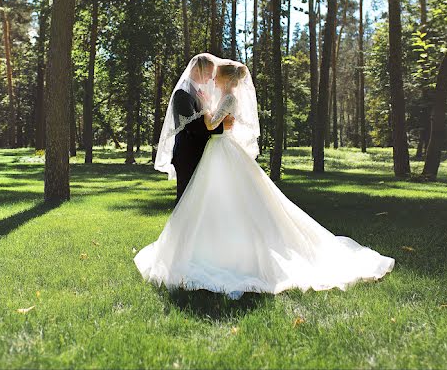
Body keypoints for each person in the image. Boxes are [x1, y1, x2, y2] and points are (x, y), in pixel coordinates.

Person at [138, 56, 394, 298]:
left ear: (225, 79)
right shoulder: (191, 95)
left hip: (218, 151)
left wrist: (211, 118)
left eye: (216, 76)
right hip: (207, 151)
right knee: (206, 199)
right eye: (210, 74)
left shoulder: (226, 98)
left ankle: (214, 250)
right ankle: (196, 247)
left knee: (221, 199)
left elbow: (209, 124)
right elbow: (206, 125)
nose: (212, 79)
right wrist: (213, 119)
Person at [154, 53, 234, 204]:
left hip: (200, 153)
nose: (211, 78)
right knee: (185, 201)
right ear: (197, 69)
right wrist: (221, 128)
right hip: (187, 155)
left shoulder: (197, 92)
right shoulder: (182, 94)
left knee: (199, 203)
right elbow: (192, 127)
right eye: (209, 73)